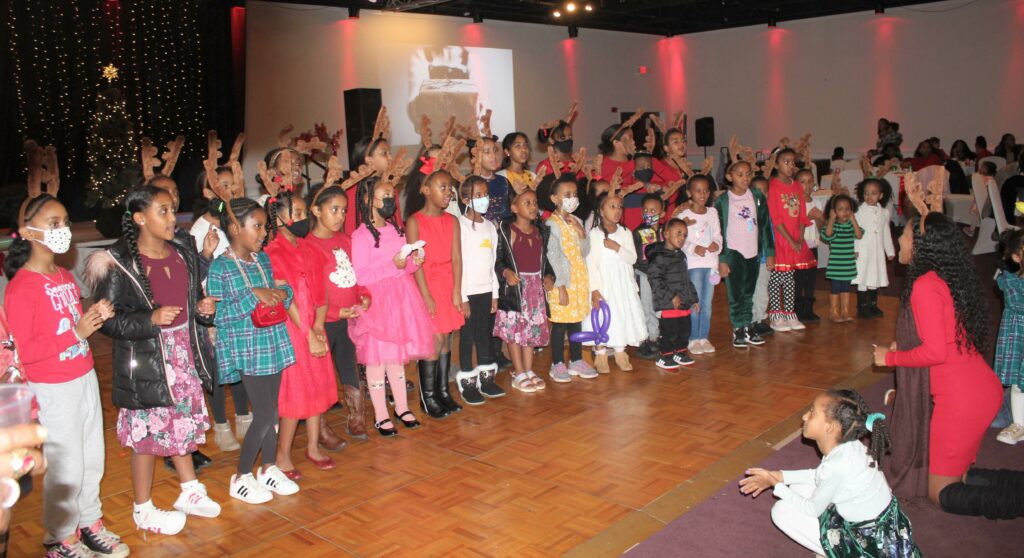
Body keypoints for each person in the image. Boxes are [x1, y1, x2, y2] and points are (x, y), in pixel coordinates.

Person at [87, 186, 221, 534]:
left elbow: (192, 298)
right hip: (148, 357)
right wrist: (150, 319)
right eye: (162, 211)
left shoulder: (182, 249)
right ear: (139, 217)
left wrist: (202, 309)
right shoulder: (118, 262)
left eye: (173, 210)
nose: (172, 218)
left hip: (182, 351)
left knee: (180, 423)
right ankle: (142, 507)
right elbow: (109, 321)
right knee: (147, 433)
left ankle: (189, 491)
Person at [6, 194, 127, 557]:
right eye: (52, 223)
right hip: (52, 387)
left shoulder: (63, 276)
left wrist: (95, 314)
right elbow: (27, 351)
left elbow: (73, 323)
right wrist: (75, 332)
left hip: (83, 376)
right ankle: (60, 537)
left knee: (92, 458)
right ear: (28, 232)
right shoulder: (20, 287)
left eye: (64, 222)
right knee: (66, 466)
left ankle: (90, 522)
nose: (63, 230)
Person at [873, 213, 1009, 516]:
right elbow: (945, 336)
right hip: (976, 389)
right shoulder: (943, 275)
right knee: (957, 477)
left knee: (941, 493)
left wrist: (890, 358)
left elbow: (936, 353)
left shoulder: (924, 284)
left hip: (962, 400)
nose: (900, 240)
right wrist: (904, 347)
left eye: (906, 235)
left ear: (921, 245)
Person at [740, 389, 921, 558]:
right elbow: (820, 475)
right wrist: (780, 475)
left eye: (811, 413)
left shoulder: (838, 466)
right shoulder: (850, 445)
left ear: (830, 427)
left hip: (870, 541)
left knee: (781, 511)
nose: (804, 417)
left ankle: (837, 552)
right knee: (796, 487)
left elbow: (812, 509)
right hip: (881, 523)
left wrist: (775, 484)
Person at [207, 197, 299, 504]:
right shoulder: (221, 267)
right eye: (257, 226)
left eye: (264, 226)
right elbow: (219, 316)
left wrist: (281, 294)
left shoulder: (262, 260)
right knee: (265, 413)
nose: (263, 232)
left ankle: (268, 467)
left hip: (271, 341)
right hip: (247, 348)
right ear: (235, 228)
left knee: (272, 411)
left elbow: (275, 294)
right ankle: (241, 475)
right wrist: (253, 296)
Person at [263, 192, 340, 478]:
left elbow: (322, 293)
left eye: (304, 211)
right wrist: (307, 333)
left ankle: (312, 446)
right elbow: (286, 298)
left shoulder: (311, 249)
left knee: (317, 386)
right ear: (279, 217)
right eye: (296, 212)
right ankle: (282, 455)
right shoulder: (272, 252)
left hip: (313, 325)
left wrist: (319, 327)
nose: (303, 218)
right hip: (292, 329)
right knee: (295, 393)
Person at [350, 176, 433, 435]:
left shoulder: (396, 230)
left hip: (400, 300)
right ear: (367, 200)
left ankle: (401, 407)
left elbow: (404, 267)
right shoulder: (361, 236)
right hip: (376, 304)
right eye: (384, 196)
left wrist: (415, 261)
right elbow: (361, 275)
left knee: (396, 359)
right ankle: (380, 414)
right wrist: (392, 266)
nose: (389, 201)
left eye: (391, 197)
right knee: (377, 361)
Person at [304, 183, 371, 441]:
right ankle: (320, 427)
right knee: (321, 374)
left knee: (349, 366)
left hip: (349, 318)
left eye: (343, 210)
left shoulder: (346, 240)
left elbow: (357, 276)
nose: (340, 216)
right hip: (325, 321)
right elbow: (310, 292)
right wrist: (334, 311)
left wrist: (364, 296)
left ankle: (356, 417)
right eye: (334, 209)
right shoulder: (309, 246)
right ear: (316, 210)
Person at [190, 168, 250, 451]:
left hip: (239, 304)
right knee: (216, 369)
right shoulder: (200, 230)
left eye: (233, 185)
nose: (230, 190)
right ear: (208, 192)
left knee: (238, 364)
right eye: (222, 186)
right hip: (215, 308)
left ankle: (244, 417)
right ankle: (222, 426)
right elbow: (198, 274)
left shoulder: (234, 220)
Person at [407, 169, 466, 418]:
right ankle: (427, 396)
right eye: (442, 187)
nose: (448, 192)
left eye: (450, 187)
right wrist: (426, 295)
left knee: (446, 337)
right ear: (425, 189)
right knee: (435, 339)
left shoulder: (452, 221)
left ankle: (442, 392)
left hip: (447, 282)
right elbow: (415, 261)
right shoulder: (414, 221)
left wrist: (456, 291)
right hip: (427, 283)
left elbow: (456, 258)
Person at [539, 174, 598, 382]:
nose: (572, 198)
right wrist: (561, 286)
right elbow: (552, 255)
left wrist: (582, 233)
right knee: (561, 324)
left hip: (579, 281)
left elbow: (584, 251)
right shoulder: (551, 224)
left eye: (574, 194)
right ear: (555, 198)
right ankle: (557, 364)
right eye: (567, 194)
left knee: (575, 322)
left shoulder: (577, 220)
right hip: (562, 282)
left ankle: (576, 359)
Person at [495, 189, 553, 392]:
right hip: (516, 290)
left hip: (535, 289)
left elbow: (545, 261)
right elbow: (498, 260)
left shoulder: (541, 231)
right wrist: (506, 272)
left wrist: (548, 276)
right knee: (515, 332)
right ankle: (518, 372)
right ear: (514, 208)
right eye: (527, 202)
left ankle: (529, 370)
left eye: (535, 202)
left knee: (531, 332)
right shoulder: (505, 230)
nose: (533, 206)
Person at [585, 193, 648, 372]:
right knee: (603, 317)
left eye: (620, 207)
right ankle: (601, 353)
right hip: (604, 283)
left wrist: (617, 247)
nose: (617, 211)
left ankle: (621, 352)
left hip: (622, 283)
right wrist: (595, 290)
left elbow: (633, 258)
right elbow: (591, 263)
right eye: (612, 207)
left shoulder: (626, 232)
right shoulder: (595, 234)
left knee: (621, 315)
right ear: (601, 211)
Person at [455, 176, 503, 405]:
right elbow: (459, 264)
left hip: (486, 291)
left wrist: (495, 293)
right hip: (468, 292)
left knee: (484, 334)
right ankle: (468, 383)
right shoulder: (460, 226)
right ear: (465, 199)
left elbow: (492, 261)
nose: (484, 199)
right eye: (477, 195)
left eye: (485, 194)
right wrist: (462, 297)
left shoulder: (491, 227)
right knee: (467, 337)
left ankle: (487, 379)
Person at [716, 162, 774, 348]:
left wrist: (770, 252)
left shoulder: (757, 197)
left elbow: (764, 225)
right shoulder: (723, 201)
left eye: (748, 174)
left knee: (749, 292)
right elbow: (718, 232)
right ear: (729, 177)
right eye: (740, 174)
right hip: (734, 252)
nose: (745, 178)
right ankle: (738, 328)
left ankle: (748, 326)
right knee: (736, 294)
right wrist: (722, 259)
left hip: (753, 252)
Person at [767, 148, 815, 331]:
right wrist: (789, 239)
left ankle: (789, 313)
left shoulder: (796, 185)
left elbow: (802, 213)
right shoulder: (773, 186)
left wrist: (800, 236)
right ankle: (775, 314)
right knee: (777, 276)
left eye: (793, 162)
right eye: (785, 162)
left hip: (795, 237)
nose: (790, 166)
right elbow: (776, 217)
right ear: (777, 163)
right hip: (781, 238)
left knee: (789, 278)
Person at [646, 218, 699, 369]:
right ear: (666, 234)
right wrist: (671, 296)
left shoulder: (681, 255)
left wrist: (693, 298)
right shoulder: (659, 257)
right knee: (670, 331)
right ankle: (665, 355)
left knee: (684, 329)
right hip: (667, 304)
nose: (682, 238)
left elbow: (685, 279)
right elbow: (655, 279)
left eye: (685, 235)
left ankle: (680, 352)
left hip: (683, 302)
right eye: (679, 233)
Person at [678, 175, 721, 354]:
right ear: (689, 193)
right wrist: (693, 248)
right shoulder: (684, 216)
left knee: (707, 303)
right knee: (694, 302)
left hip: (711, 264)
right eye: (698, 190)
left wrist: (716, 246)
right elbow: (679, 240)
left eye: (706, 190)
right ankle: (693, 338)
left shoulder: (713, 213)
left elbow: (718, 236)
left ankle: (703, 337)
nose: (702, 194)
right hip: (693, 266)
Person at [994, 229, 1024, 445]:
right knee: (1018, 384)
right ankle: (1019, 424)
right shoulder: (1011, 281)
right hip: (1019, 339)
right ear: (1016, 257)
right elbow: (1018, 305)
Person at [853, 178, 895, 318]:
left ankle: (873, 304)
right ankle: (862, 306)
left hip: (877, 251)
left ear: (880, 195)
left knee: (874, 277)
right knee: (863, 277)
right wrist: (855, 249)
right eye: (866, 193)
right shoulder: (858, 211)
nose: (869, 196)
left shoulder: (884, 213)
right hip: (864, 250)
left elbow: (886, 233)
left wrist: (889, 251)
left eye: (873, 193)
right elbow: (854, 231)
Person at [632, 194, 666, 359]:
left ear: (662, 213)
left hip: (663, 276)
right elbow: (636, 256)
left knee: (661, 306)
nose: (649, 213)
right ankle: (651, 338)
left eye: (653, 210)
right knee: (647, 306)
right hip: (645, 275)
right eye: (645, 210)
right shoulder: (639, 232)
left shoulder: (666, 230)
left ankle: (662, 335)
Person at [820, 195, 862, 323]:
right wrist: (831, 220)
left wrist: (853, 219)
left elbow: (859, 235)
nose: (845, 212)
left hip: (848, 264)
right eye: (840, 209)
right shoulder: (834, 226)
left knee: (846, 288)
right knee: (836, 288)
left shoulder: (850, 225)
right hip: (836, 265)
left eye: (848, 209)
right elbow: (827, 235)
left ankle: (845, 311)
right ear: (834, 211)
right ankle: (834, 312)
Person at [794, 168, 823, 323]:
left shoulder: (817, 202)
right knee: (799, 279)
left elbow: (821, 226)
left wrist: (819, 218)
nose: (807, 185)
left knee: (811, 278)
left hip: (813, 246)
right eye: (802, 182)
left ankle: (809, 309)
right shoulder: (794, 202)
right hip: (799, 245)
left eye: (810, 181)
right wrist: (807, 217)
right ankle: (797, 310)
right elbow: (793, 224)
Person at [749, 175, 775, 339]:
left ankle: (759, 318)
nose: (762, 194)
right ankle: (751, 320)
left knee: (762, 290)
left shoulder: (768, 211)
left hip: (765, 258)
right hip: (751, 258)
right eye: (758, 191)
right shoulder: (747, 211)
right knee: (751, 290)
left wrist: (771, 254)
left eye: (766, 191)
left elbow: (770, 235)